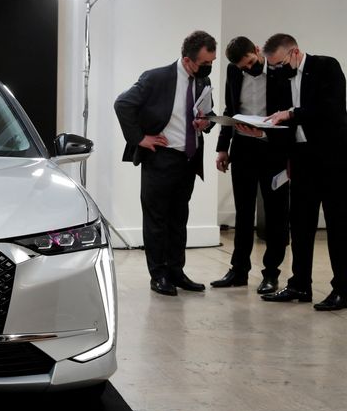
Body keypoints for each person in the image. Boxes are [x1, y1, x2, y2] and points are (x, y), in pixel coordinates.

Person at [114, 30, 216, 296]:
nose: (209, 68)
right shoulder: (156, 78)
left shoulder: (203, 82)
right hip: (161, 158)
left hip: (188, 159)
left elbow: (208, 113)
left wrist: (206, 122)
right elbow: (122, 104)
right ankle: (158, 275)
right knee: (157, 219)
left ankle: (176, 271)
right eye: (204, 63)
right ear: (186, 60)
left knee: (178, 218)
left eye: (212, 63)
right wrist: (139, 138)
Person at [259, 34, 347, 311]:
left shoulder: (327, 67)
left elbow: (331, 109)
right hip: (301, 158)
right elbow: (281, 120)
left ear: (294, 52)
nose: (276, 70)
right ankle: (299, 284)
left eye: (280, 64)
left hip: (333, 158)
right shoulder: (280, 79)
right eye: (272, 67)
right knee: (299, 223)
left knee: (337, 226)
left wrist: (292, 113)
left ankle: (342, 289)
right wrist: (261, 130)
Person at [211, 36, 291, 294]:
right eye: (242, 66)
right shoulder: (234, 71)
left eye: (249, 62)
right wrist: (223, 147)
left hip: (273, 150)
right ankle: (239, 270)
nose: (246, 68)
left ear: (257, 51)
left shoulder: (281, 73)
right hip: (243, 148)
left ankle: (271, 274)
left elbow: (290, 115)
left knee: (275, 213)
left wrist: (265, 134)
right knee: (243, 213)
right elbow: (231, 108)